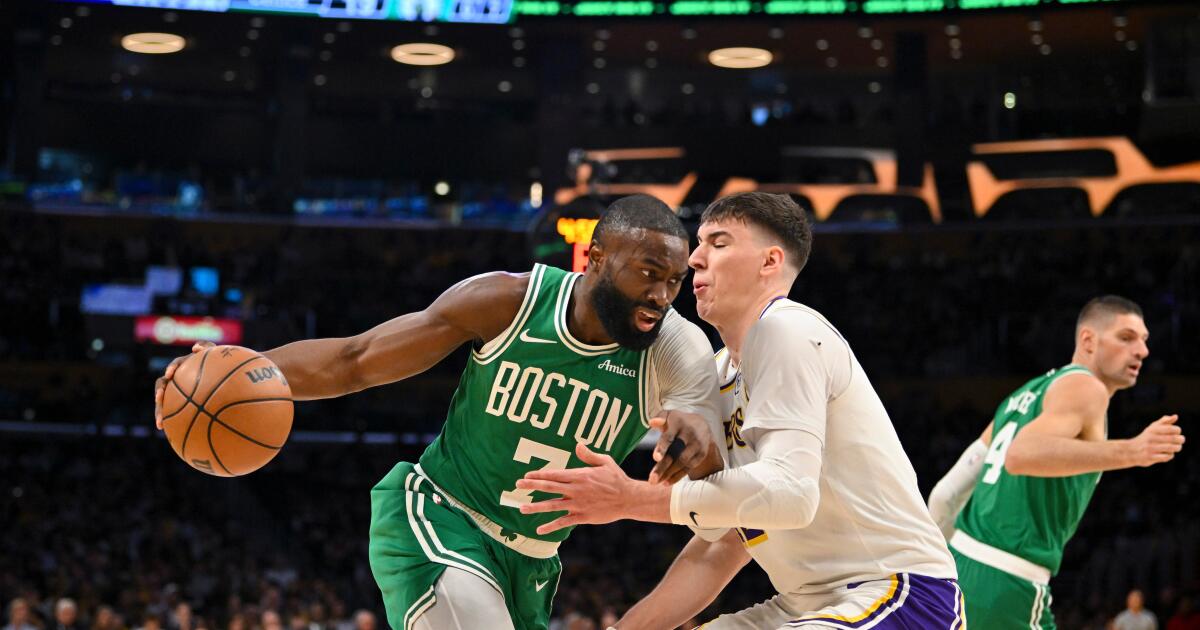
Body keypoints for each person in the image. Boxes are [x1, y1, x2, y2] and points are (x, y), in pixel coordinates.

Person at [153, 194, 721, 630]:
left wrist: (695, 435)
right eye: (647, 273)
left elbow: (699, 410)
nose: (661, 295)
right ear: (596, 259)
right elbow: (357, 359)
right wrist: (238, 370)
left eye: (673, 281)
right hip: (438, 519)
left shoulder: (673, 343)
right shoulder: (508, 302)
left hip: (532, 563)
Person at [516, 192, 962, 629]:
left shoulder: (789, 328)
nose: (694, 258)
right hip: (805, 605)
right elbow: (720, 545)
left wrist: (630, 498)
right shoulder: (713, 375)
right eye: (699, 243)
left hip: (899, 595)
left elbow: (790, 495)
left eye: (719, 242)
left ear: (769, 262)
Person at [926, 296, 1185, 629]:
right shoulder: (1087, 388)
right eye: (1126, 337)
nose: (1142, 351)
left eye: (1144, 341)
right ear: (1088, 340)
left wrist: (940, 570)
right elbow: (1021, 455)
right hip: (1008, 581)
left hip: (961, 565)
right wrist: (1133, 451)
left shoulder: (1024, 395)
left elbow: (945, 495)